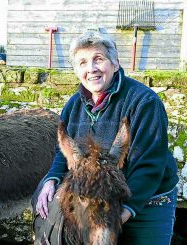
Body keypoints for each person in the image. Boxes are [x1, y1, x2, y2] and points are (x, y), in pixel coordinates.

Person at [33, 31, 179, 245]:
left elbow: (149, 166)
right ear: (76, 71)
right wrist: (52, 179)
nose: (91, 68)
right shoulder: (73, 106)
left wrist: (123, 213)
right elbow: (62, 152)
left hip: (148, 199)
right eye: (82, 63)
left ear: (115, 64)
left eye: (98, 59)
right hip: (99, 203)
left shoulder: (144, 103)